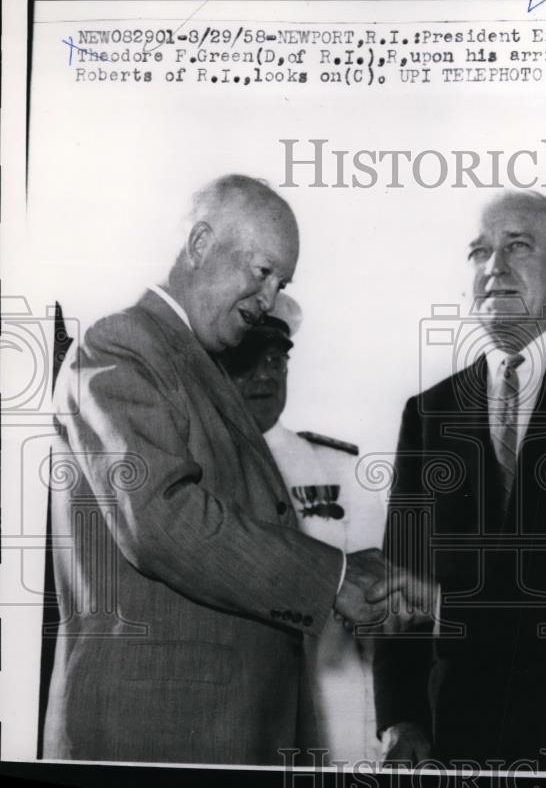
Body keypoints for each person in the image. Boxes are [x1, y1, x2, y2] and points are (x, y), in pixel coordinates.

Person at [43, 175, 393, 765]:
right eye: (262, 272)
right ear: (201, 242)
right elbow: (159, 518)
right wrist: (330, 580)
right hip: (156, 736)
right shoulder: (122, 344)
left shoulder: (198, 362)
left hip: (221, 731)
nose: (268, 299)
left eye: (281, 283)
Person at [374, 191, 546, 767]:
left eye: (517, 246)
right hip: (461, 733)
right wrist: (401, 715)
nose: (494, 268)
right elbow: (401, 574)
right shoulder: (428, 412)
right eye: (479, 252)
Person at [220, 292, 384, 764]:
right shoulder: (197, 472)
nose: (266, 374)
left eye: (276, 360)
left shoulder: (339, 471)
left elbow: (380, 617)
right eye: (249, 361)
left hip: (333, 712)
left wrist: (389, 723)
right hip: (233, 717)